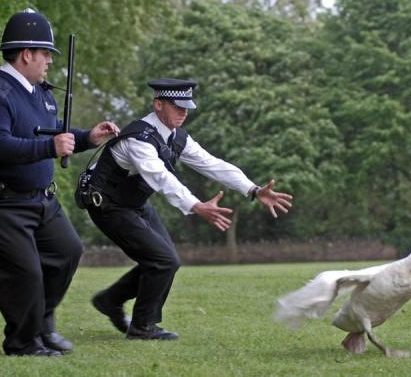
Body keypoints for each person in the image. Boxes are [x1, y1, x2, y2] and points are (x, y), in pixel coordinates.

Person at [0, 8, 119, 356]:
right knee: (24, 274)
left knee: (66, 252)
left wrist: (89, 138)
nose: (50, 62)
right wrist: (49, 147)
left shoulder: (40, 93)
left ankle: (41, 324)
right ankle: (23, 342)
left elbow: (53, 136)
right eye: (46, 54)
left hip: (37, 198)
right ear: (26, 54)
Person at [86, 78, 293, 340]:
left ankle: (110, 301)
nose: (184, 113)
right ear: (158, 104)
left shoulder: (175, 137)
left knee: (166, 261)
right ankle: (142, 327)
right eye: (177, 107)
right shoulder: (139, 139)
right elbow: (161, 178)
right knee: (163, 260)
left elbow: (212, 164)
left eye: (187, 108)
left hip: (134, 204)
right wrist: (195, 205)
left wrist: (252, 189)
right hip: (107, 205)